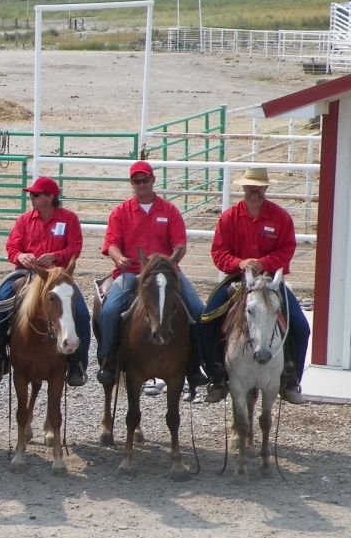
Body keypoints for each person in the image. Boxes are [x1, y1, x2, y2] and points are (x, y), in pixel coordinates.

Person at [200, 167, 309, 405]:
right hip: (236, 280)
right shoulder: (229, 217)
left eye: (258, 186)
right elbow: (218, 253)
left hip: (270, 281)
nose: (254, 190)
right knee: (206, 321)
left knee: (301, 326)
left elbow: (287, 250)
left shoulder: (280, 217)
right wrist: (240, 263)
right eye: (250, 186)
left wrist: (262, 263)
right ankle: (216, 376)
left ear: (266, 188)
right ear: (243, 188)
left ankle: (291, 380)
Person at [96, 160, 207, 389]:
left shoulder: (169, 210)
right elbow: (111, 244)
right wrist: (118, 258)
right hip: (131, 271)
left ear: (153, 180)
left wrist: (171, 260)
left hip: (167, 272)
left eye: (145, 179)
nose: (141, 184)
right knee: (109, 310)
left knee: (198, 309)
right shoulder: (121, 212)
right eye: (137, 181)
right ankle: (108, 361)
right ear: (132, 184)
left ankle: (196, 365)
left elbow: (180, 244)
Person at [0, 176, 89, 386]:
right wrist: (21, 256)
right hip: (25, 273)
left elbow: (75, 246)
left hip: (57, 275)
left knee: (83, 314)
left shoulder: (69, 219)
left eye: (35, 195)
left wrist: (56, 256)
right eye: (31, 195)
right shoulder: (23, 220)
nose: (31, 198)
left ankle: (77, 364)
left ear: (50, 197)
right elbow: (12, 247)